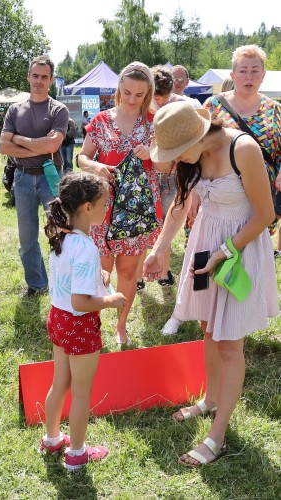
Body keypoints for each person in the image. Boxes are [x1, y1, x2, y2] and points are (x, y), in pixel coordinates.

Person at [144, 101, 278, 467]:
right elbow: (181, 205)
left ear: (199, 135)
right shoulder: (194, 157)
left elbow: (266, 214)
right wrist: (159, 249)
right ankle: (211, 399)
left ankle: (216, 437)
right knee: (207, 329)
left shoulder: (244, 149)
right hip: (205, 247)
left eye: (177, 152)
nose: (176, 161)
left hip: (239, 249)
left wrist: (225, 250)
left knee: (229, 343)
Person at [41, 172, 126, 471]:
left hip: (58, 318)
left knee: (59, 383)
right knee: (80, 392)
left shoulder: (61, 236)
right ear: (87, 208)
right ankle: (77, 452)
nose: (107, 208)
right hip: (79, 323)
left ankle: (52, 439)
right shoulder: (88, 248)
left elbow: (69, 282)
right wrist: (111, 301)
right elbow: (81, 303)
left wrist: (99, 277)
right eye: (104, 203)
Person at [78, 61, 162, 345]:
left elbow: (168, 163)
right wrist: (96, 167)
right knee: (100, 270)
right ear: (119, 88)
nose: (131, 99)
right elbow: (82, 157)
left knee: (128, 271)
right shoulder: (101, 120)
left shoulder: (154, 121)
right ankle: (96, 322)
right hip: (102, 206)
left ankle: (121, 325)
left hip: (136, 208)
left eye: (139, 95)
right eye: (126, 92)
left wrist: (151, 152)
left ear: (148, 93)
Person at [0, 55, 69, 298]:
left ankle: (64, 283)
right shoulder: (15, 110)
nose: (39, 81)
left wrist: (17, 138)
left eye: (44, 77)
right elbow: (3, 147)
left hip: (51, 177)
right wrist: (37, 145)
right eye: (35, 75)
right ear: (28, 77)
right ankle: (37, 285)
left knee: (61, 231)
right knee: (27, 238)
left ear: (51, 80)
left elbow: (51, 146)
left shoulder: (58, 110)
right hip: (23, 177)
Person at [203, 44, 281, 231]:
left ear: (263, 75)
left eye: (255, 71)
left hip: (260, 200)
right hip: (219, 199)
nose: (249, 77)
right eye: (243, 70)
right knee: (214, 253)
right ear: (232, 75)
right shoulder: (212, 107)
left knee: (253, 253)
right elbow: (196, 149)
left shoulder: (274, 110)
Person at [151, 65, 188, 287]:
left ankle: (164, 274)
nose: (161, 102)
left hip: (174, 175)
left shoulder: (181, 107)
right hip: (152, 175)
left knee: (165, 227)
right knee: (148, 226)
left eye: (164, 97)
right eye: (156, 97)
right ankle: (141, 277)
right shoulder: (142, 110)